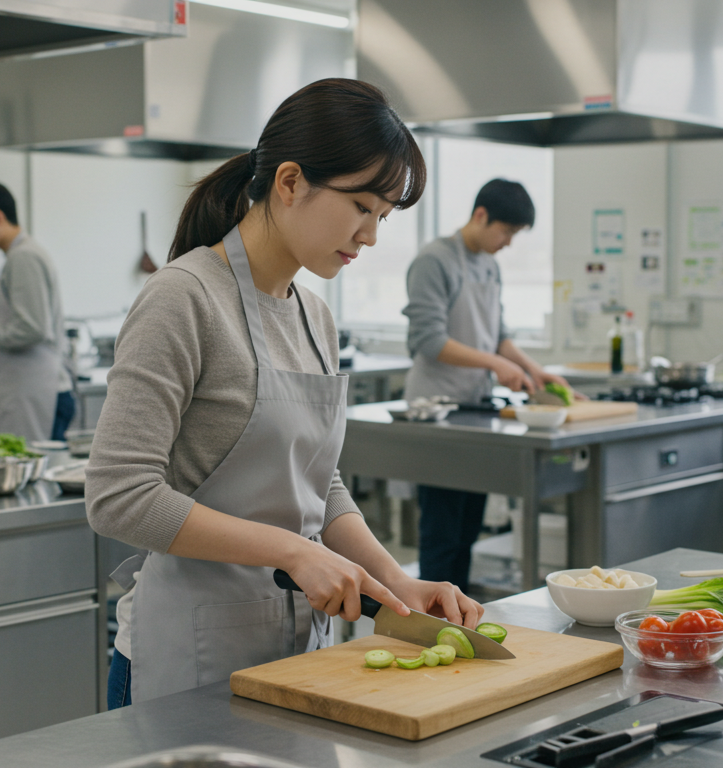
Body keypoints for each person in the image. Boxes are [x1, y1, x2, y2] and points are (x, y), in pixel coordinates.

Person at [85, 79, 483, 708]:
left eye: (383, 217)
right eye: (362, 208)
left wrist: (398, 583)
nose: (372, 235)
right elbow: (118, 497)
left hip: (300, 654)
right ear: (291, 182)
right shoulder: (182, 298)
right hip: (185, 659)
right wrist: (294, 552)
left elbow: (318, 486)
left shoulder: (314, 316)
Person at [401, 179, 575, 591]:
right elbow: (428, 340)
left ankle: (454, 609)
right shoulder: (434, 260)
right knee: (443, 528)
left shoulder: (490, 266)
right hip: (436, 410)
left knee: (467, 526)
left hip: (473, 407)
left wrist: (536, 371)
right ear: (481, 216)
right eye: (507, 232)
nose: (508, 243)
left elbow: (498, 334)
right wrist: (495, 363)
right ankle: (433, 617)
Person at [0, 180, 75, 441]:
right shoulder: (22, 253)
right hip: (34, 389)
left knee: (32, 473)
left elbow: (33, 329)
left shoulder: (23, 257)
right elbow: (28, 318)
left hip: (36, 391)